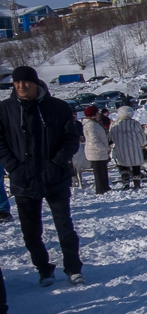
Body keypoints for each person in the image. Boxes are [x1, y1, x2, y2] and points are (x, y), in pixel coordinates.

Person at [0, 67, 85, 286]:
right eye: (17, 83)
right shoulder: (5, 109)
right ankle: (43, 268)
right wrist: (13, 166)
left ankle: (73, 267)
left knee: (64, 226)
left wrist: (56, 162)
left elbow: (71, 139)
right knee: (30, 231)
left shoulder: (57, 107)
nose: (21, 86)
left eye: (25, 83)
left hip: (55, 177)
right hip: (23, 179)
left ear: (36, 84)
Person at [109, 106, 147, 190]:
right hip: (134, 148)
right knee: (135, 165)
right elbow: (141, 137)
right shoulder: (134, 123)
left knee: (122, 165)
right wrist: (142, 142)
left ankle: (125, 181)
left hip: (120, 148)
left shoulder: (114, 124)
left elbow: (111, 137)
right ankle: (136, 183)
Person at [82, 106, 111, 194]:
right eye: (97, 113)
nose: (99, 114)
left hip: (98, 151)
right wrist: (104, 148)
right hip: (95, 151)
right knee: (98, 171)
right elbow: (94, 140)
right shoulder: (91, 125)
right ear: (93, 115)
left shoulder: (95, 123)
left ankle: (105, 186)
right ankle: (100, 188)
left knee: (103, 169)